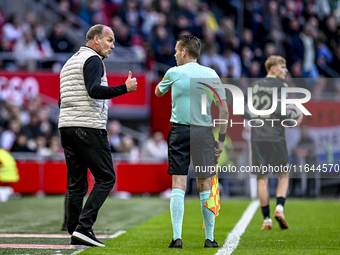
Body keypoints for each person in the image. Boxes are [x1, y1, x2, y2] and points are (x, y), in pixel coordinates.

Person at [58, 24, 137, 248]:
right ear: (94, 40)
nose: (112, 45)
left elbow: (61, 100)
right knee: (106, 178)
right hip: (88, 126)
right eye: (109, 40)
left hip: (67, 126)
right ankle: (84, 227)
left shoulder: (69, 62)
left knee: (77, 184)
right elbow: (94, 90)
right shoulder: (92, 60)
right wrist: (124, 88)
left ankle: (75, 231)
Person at [155, 35, 229, 248]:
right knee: (205, 183)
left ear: (184, 52)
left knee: (178, 183)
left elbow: (158, 92)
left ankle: (177, 238)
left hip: (179, 131)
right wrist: (221, 140)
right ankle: (210, 239)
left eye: (177, 51)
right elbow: (223, 108)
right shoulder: (211, 74)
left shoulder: (172, 72)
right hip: (203, 132)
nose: (175, 54)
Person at [245, 55, 290, 230]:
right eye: (282, 67)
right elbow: (283, 111)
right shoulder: (282, 86)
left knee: (261, 179)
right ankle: (279, 208)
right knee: (283, 174)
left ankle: (267, 220)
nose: (285, 70)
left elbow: (244, 110)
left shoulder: (255, 86)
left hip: (257, 137)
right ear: (272, 68)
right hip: (275, 136)